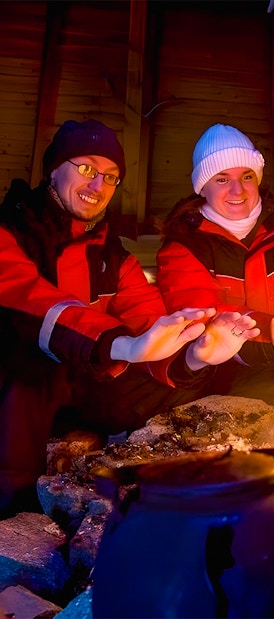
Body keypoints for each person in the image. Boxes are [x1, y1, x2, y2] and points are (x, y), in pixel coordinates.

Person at [0, 119, 260, 517]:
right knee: (28, 378)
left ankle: (182, 501)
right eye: (86, 168)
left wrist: (198, 354)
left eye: (110, 177)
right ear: (54, 168)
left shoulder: (112, 257)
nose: (97, 185)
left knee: (200, 382)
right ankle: (14, 522)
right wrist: (121, 345)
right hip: (21, 383)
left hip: (85, 387)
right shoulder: (10, 233)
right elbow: (33, 304)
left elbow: (151, 323)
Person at [156, 123, 274, 410]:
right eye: (221, 179)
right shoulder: (183, 248)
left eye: (247, 176)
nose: (237, 189)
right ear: (202, 188)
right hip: (224, 382)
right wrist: (270, 332)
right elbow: (205, 314)